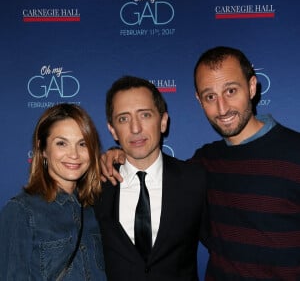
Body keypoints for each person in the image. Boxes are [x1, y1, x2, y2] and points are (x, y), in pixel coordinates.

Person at [101, 46, 300, 280]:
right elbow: (152, 165)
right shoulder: (204, 163)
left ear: (252, 87)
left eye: (231, 90)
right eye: (210, 96)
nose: (222, 107)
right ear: (199, 100)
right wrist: (117, 154)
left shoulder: (294, 152)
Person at [94, 76, 208, 281]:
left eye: (145, 115)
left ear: (163, 122)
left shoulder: (195, 180)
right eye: (123, 119)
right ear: (113, 130)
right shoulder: (95, 185)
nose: (135, 128)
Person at [0, 103, 107, 280]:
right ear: (42, 149)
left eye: (82, 144)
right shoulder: (21, 211)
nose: (74, 154)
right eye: (61, 143)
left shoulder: (94, 209)